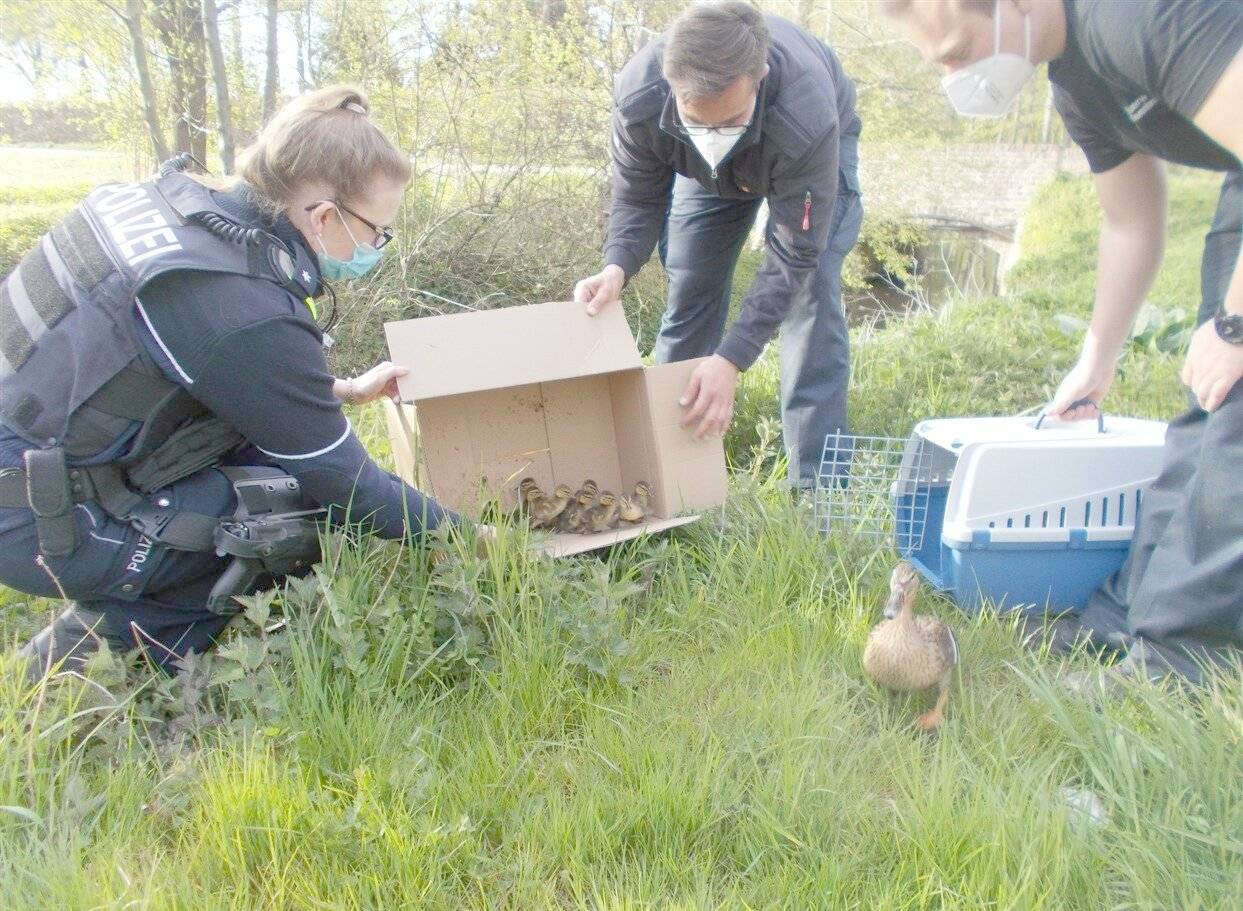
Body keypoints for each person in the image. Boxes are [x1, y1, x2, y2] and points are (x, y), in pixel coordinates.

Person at [0, 85, 469, 681]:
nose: (375, 248)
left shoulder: (168, 207)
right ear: (324, 217)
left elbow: (172, 365)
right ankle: (82, 671)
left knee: (265, 464)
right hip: (33, 512)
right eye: (378, 232)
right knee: (293, 516)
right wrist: (480, 540)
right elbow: (350, 486)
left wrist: (341, 389)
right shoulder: (240, 307)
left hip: (34, 449)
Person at [881, 0, 1243, 683]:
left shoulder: (1134, 18)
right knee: (1208, 399)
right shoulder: (1076, 83)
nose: (955, 78)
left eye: (958, 52)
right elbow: (1129, 221)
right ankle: (1127, 610)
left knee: (1238, 404)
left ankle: (1182, 661)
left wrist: (1235, 325)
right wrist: (1095, 360)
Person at [574, 0, 862, 490]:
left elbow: (795, 254)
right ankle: (672, 479)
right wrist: (616, 267)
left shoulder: (805, 114)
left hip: (793, 158)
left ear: (760, 78)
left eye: (729, 121)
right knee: (690, 286)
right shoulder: (640, 94)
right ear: (671, 85)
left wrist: (732, 358)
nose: (714, 136)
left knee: (810, 295)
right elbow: (638, 198)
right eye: (697, 120)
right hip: (701, 178)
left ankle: (820, 491)